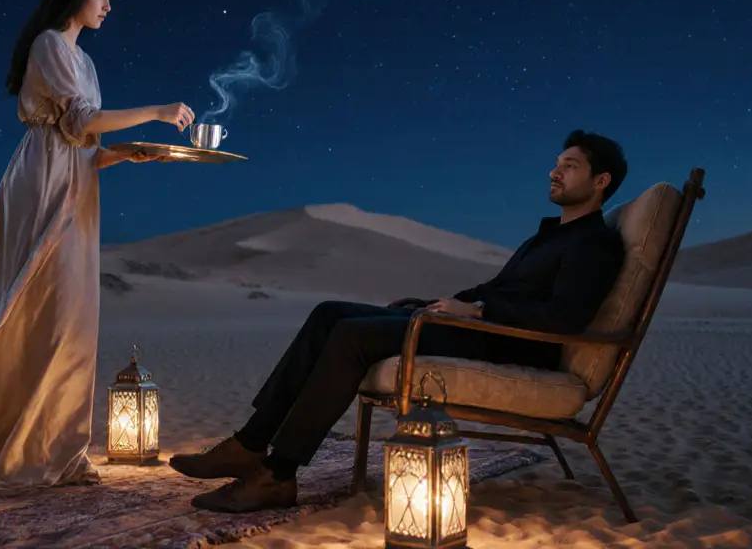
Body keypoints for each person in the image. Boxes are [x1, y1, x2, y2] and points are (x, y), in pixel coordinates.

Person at [169, 129, 631, 512]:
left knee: (352, 337)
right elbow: (497, 288)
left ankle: (278, 474)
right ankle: (250, 444)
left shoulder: (593, 245)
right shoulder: (552, 236)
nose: (555, 171)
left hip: (507, 341)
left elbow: (562, 318)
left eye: (569, 165)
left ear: (600, 181)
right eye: (557, 162)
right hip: (478, 326)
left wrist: (477, 312)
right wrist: (433, 303)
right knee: (329, 312)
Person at [0, 0, 195, 488]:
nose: (108, 6)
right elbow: (80, 123)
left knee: (72, 313)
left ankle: (55, 444)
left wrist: (125, 153)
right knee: (41, 309)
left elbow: (86, 141)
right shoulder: (50, 44)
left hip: (77, 182)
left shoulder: (86, 63)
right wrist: (158, 111)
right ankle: (22, 444)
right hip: (44, 185)